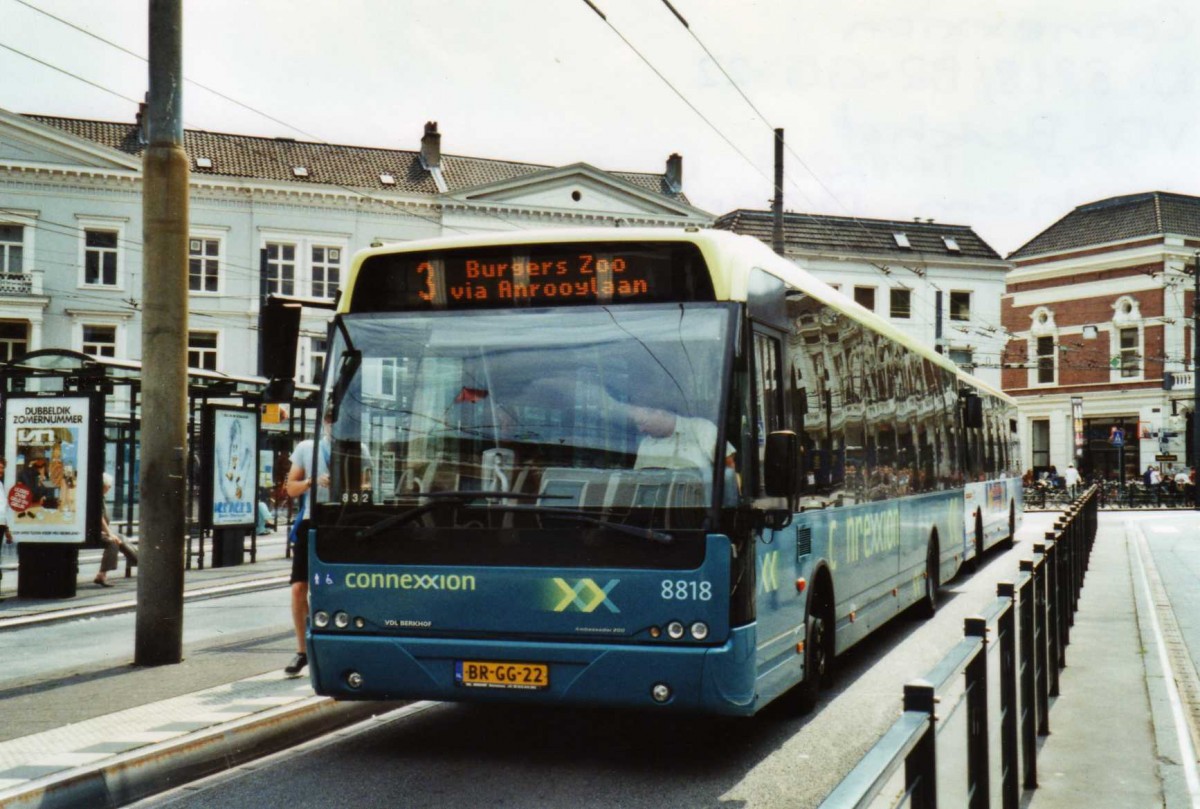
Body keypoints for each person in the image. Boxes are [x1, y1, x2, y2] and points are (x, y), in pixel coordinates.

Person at [284, 411, 372, 678]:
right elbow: (290, 488)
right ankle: (302, 652)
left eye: (339, 418)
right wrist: (312, 482)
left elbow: (368, 486)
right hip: (313, 521)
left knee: (343, 587)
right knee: (299, 587)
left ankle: (344, 645)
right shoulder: (306, 448)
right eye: (330, 418)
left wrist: (349, 484)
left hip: (344, 523)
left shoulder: (359, 448)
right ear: (324, 421)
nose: (334, 423)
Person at [94, 472, 137, 587]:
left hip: (99, 531)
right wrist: (109, 533)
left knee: (121, 538)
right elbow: (99, 518)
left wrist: (110, 533)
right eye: (109, 486)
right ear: (104, 485)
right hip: (94, 532)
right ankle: (102, 575)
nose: (110, 488)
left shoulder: (100, 497)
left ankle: (142, 563)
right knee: (113, 542)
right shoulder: (95, 497)